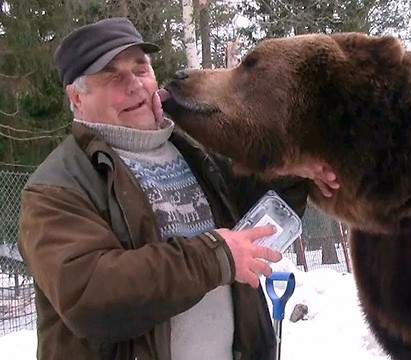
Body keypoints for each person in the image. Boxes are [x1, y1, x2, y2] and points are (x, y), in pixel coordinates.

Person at [17, 17, 338, 360]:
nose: (135, 86)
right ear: (77, 98)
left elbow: (262, 211)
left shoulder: (195, 153)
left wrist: (292, 168)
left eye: (141, 69)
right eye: (113, 77)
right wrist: (216, 256)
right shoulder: (56, 188)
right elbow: (90, 295)